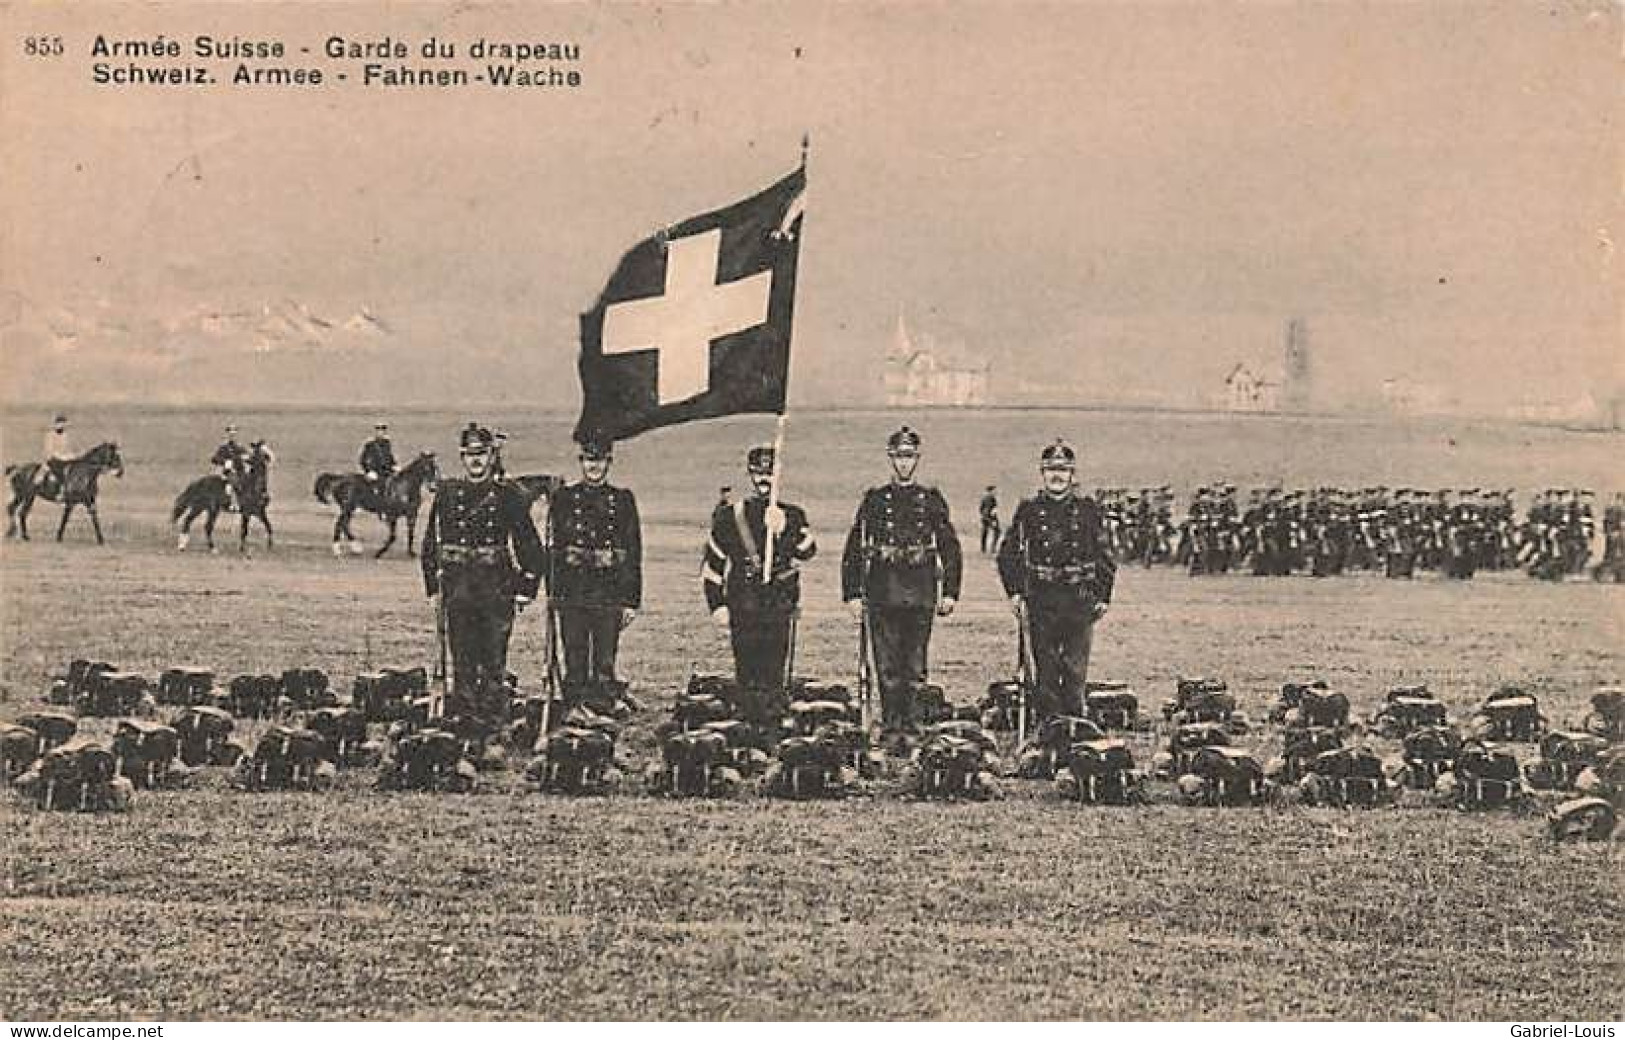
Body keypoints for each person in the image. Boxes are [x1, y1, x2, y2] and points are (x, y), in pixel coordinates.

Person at [420, 424, 545, 746]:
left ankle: (490, 724)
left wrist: (525, 587)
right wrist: (433, 589)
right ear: (462, 457)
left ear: (491, 456)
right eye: (469, 455)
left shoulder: (508, 496)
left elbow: (529, 544)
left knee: (492, 657)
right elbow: (430, 543)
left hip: (495, 585)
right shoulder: (448, 494)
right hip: (458, 586)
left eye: (481, 454)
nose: (475, 460)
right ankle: (463, 720)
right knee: (461, 655)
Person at [840, 425, 962, 746]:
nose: (904, 463)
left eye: (909, 457)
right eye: (899, 457)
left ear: (917, 459)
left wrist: (950, 591)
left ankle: (913, 724)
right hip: (884, 589)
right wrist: (852, 593)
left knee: (915, 663)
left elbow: (950, 546)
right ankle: (892, 724)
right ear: (890, 459)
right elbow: (855, 546)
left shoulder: (931, 499)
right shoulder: (876, 500)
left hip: (921, 589)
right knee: (887, 664)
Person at [997, 439, 1116, 720]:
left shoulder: (1088, 510)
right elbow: (1007, 555)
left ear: (1073, 475)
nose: (1057, 476)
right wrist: (1015, 592)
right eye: (1051, 469)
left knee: (1075, 672)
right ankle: (1049, 730)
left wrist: (1103, 595)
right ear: (1043, 473)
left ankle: (1074, 729)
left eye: (1063, 470)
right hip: (1042, 599)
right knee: (1046, 671)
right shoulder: (1028, 510)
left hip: (1079, 599)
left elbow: (1105, 556)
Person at [701, 445, 817, 722]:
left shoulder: (792, 513)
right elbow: (713, 566)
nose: (763, 479)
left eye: (769, 473)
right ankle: (748, 727)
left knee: (775, 670)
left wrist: (786, 527)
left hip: (778, 602)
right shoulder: (731, 516)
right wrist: (717, 605)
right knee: (747, 668)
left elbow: (808, 551)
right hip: (744, 601)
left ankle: (772, 727)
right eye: (758, 473)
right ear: (750, 475)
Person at [546, 433, 642, 704]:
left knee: (604, 659)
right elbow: (554, 550)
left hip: (608, 592)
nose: (593, 467)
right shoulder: (564, 498)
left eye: (599, 461)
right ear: (581, 462)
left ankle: (602, 711)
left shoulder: (622, 500)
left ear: (608, 463)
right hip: (573, 592)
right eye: (589, 460)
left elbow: (633, 552)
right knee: (574, 658)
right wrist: (552, 593)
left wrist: (631, 601)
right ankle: (574, 710)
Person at [210, 424, 248, 512]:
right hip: (228, 472)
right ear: (227, 436)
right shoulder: (223, 447)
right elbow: (214, 458)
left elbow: (246, 456)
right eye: (230, 435)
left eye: (234, 435)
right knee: (232, 483)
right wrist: (225, 461)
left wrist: (245, 458)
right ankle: (232, 504)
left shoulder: (240, 447)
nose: (232, 437)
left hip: (240, 471)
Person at [34, 413, 74, 493]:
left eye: (64, 424)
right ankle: (58, 490)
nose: (62, 426)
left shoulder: (65, 436)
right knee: (59, 472)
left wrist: (71, 455)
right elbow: (49, 450)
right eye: (60, 424)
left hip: (63, 458)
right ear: (56, 424)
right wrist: (60, 456)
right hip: (52, 459)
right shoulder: (50, 435)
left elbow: (66, 449)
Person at [359, 421, 397, 499]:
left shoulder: (387, 443)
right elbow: (363, 460)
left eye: (383, 430)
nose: (381, 432)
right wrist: (368, 471)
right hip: (375, 471)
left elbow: (389, 456)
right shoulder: (370, 444)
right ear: (376, 432)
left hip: (387, 471)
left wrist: (394, 465)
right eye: (379, 430)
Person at [979, 485, 1001, 554]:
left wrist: (983, 515)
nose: (996, 492)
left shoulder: (984, 498)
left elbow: (980, 508)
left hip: (984, 517)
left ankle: (983, 548)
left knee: (984, 532)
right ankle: (992, 548)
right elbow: (992, 511)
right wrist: (993, 520)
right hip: (990, 518)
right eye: (994, 491)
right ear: (991, 491)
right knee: (997, 532)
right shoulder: (992, 499)